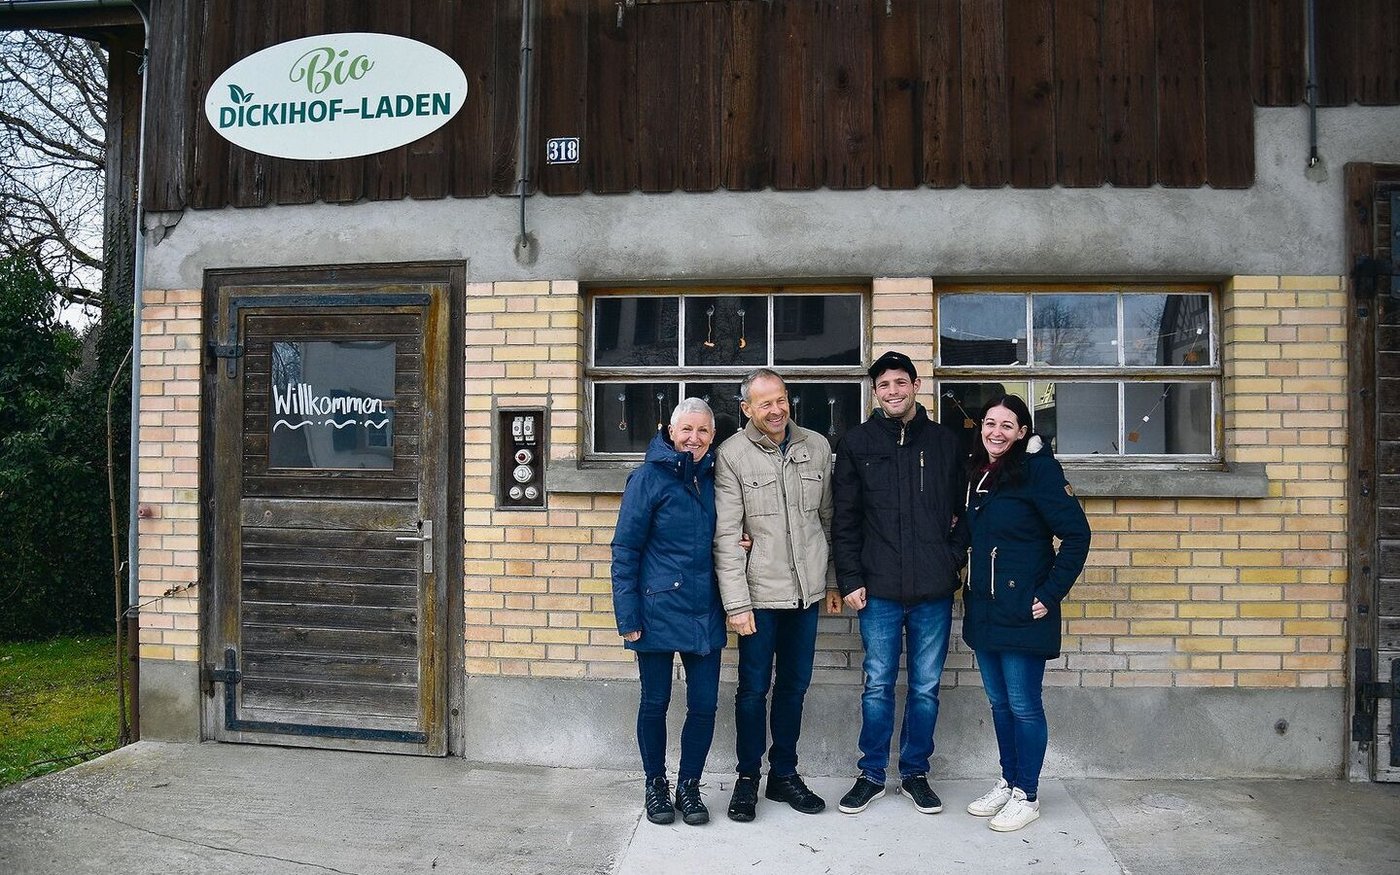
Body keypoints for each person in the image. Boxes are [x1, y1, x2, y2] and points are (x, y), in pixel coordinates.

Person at [831, 350, 966, 816]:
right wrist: (849, 577)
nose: (893, 391)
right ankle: (870, 773)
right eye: (884, 384)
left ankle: (914, 773)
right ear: (875, 392)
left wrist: (951, 560)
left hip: (933, 590)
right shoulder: (857, 443)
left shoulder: (946, 443)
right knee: (877, 685)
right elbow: (844, 520)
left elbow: (963, 513)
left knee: (926, 687)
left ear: (916, 386)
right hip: (879, 589)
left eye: (901, 382)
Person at [961, 394, 1091, 832]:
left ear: (1022, 431)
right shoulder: (981, 473)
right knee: (999, 704)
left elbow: (1077, 535)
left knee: (1023, 705)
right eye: (990, 422)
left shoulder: (1039, 470)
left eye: (1007, 425)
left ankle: (1028, 794)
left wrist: (1051, 592)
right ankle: (1009, 780)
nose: (996, 431)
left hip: (1023, 609)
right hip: (984, 607)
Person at [713, 367, 837, 822]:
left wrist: (835, 582)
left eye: (781, 399)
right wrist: (737, 603)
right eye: (765, 403)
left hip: (806, 596)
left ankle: (784, 774)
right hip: (759, 598)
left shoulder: (816, 446)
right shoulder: (732, 455)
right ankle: (747, 778)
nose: (776, 409)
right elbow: (727, 536)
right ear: (746, 409)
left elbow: (829, 519)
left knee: (793, 688)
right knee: (751, 691)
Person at [611, 398, 726, 826]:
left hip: (705, 610)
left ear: (713, 437)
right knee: (655, 702)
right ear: (671, 432)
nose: (693, 439)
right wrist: (629, 619)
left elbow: (728, 531)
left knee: (704, 705)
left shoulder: (718, 479)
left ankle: (690, 787)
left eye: (703, 432)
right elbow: (625, 550)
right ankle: (655, 784)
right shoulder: (647, 479)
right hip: (656, 610)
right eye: (686, 430)